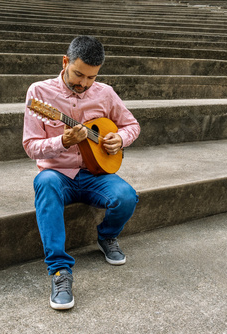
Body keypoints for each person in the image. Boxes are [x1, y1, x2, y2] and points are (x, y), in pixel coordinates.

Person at [22, 36, 140, 310]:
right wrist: (62, 141)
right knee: (45, 183)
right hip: (57, 174)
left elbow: (132, 125)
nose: (84, 84)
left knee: (127, 196)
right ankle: (60, 271)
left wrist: (120, 139)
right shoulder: (39, 93)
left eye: (91, 77)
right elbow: (30, 146)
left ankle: (107, 235)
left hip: (95, 172)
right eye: (78, 74)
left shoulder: (105, 93)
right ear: (65, 62)